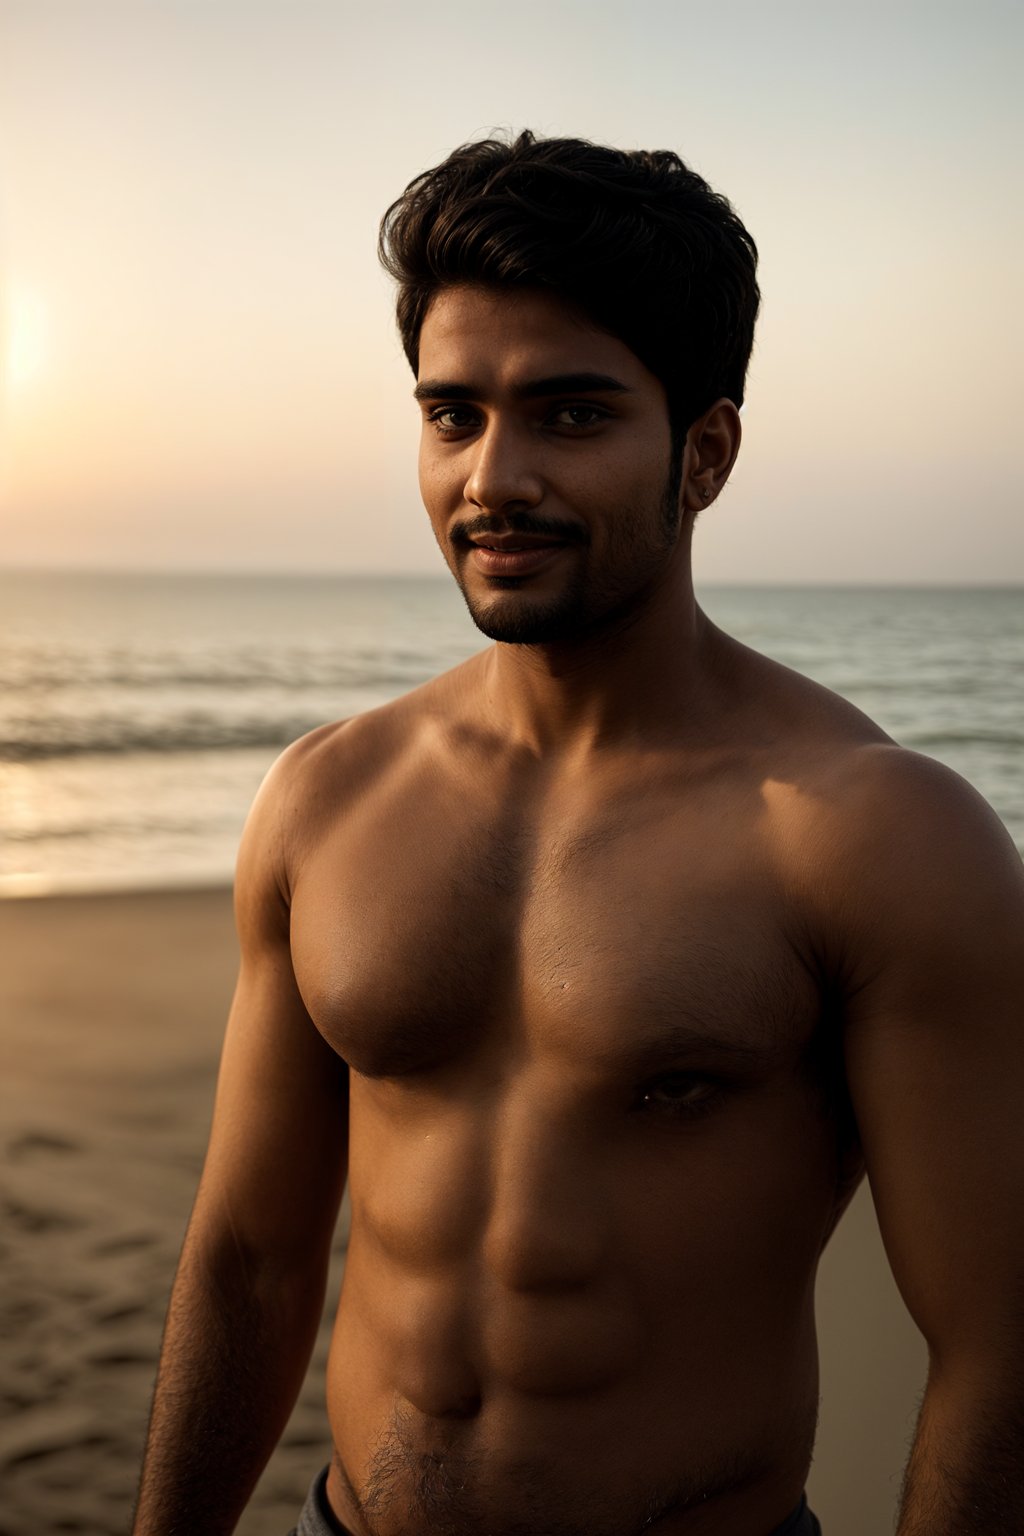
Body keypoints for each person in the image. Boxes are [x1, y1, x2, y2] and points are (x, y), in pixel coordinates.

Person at [132, 132, 1024, 1536]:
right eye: (452, 415)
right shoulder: (327, 800)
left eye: (570, 413)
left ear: (705, 452)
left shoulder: (871, 838)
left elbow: (1001, 1347)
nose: (493, 477)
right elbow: (247, 1263)